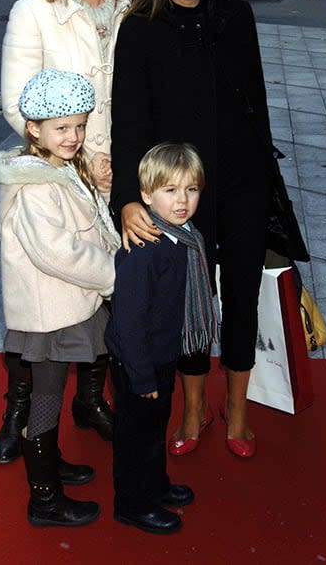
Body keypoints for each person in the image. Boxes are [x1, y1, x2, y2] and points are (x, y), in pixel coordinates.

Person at [110, 0, 278, 460]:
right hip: (181, 196)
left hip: (243, 183)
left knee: (243, 294)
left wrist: (271, 189)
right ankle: (191, 409)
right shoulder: (138, 29)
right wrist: (129, 199)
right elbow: (129, 122)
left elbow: (256, 109)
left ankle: (237, 414)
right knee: (189, 300)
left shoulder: (236, 18)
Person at [0, 0, 131, 464]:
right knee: (44, 310)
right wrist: (76, 158)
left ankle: (91, 401)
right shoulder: (35, 10)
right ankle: (20, 411)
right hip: (56, 174)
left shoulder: (134, 2)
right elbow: (15, 104)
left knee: (105, 302)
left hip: (121, 174)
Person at [0, 68, 121, 526]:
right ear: (34, 129)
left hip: (65, 305)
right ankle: (44, 498)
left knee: (53, 391)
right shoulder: (37, 186)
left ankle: (51, 463)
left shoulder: (59, 170)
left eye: (80, 125)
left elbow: (84, 219)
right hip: (49, 314)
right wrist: (112, 274)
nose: (74, 135)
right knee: (45, 398)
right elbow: (57, 252)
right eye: (62, 128)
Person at [105, 142, 216, 534]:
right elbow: (128, 321)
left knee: (155, 429)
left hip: (162, 354)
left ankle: (154, 484)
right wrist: (141, 377)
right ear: (147, 195)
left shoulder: (184, 235)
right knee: (137, 437)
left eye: (191, 189)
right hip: (140, 361)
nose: (182, 200)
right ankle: (134, 504)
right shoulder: (146, 249)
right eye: (170, 191)